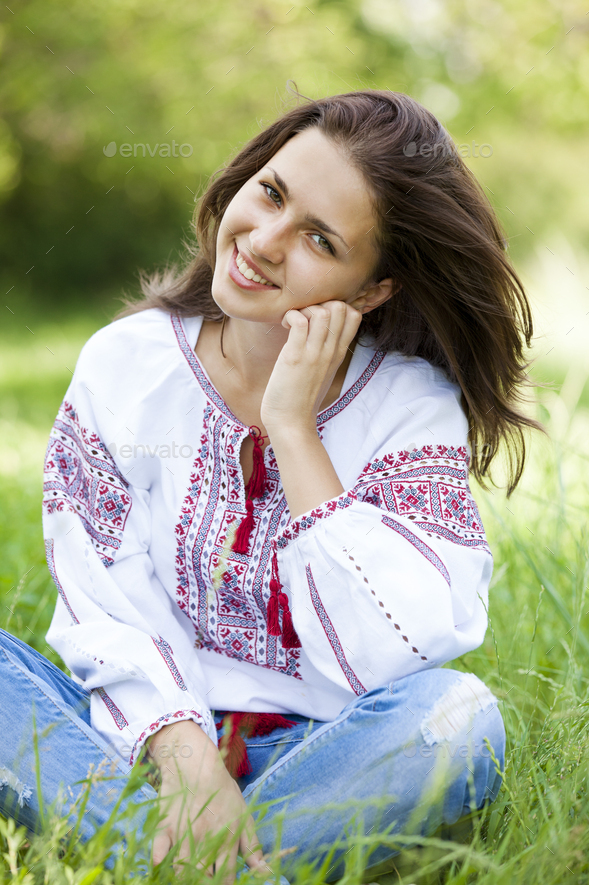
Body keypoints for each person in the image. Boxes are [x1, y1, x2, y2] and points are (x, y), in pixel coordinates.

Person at [0, 87, 541, 883]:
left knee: (458, 719)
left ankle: (151, 864)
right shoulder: (128, 364)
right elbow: (104, 600)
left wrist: (293, 431)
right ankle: (219, 864)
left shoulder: (408, 406)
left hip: (322, 751)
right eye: (272, 193)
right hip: (130, 744)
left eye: (320, 239)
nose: (264, 240)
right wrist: (188, 764)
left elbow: (401, 650)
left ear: (369, 290)